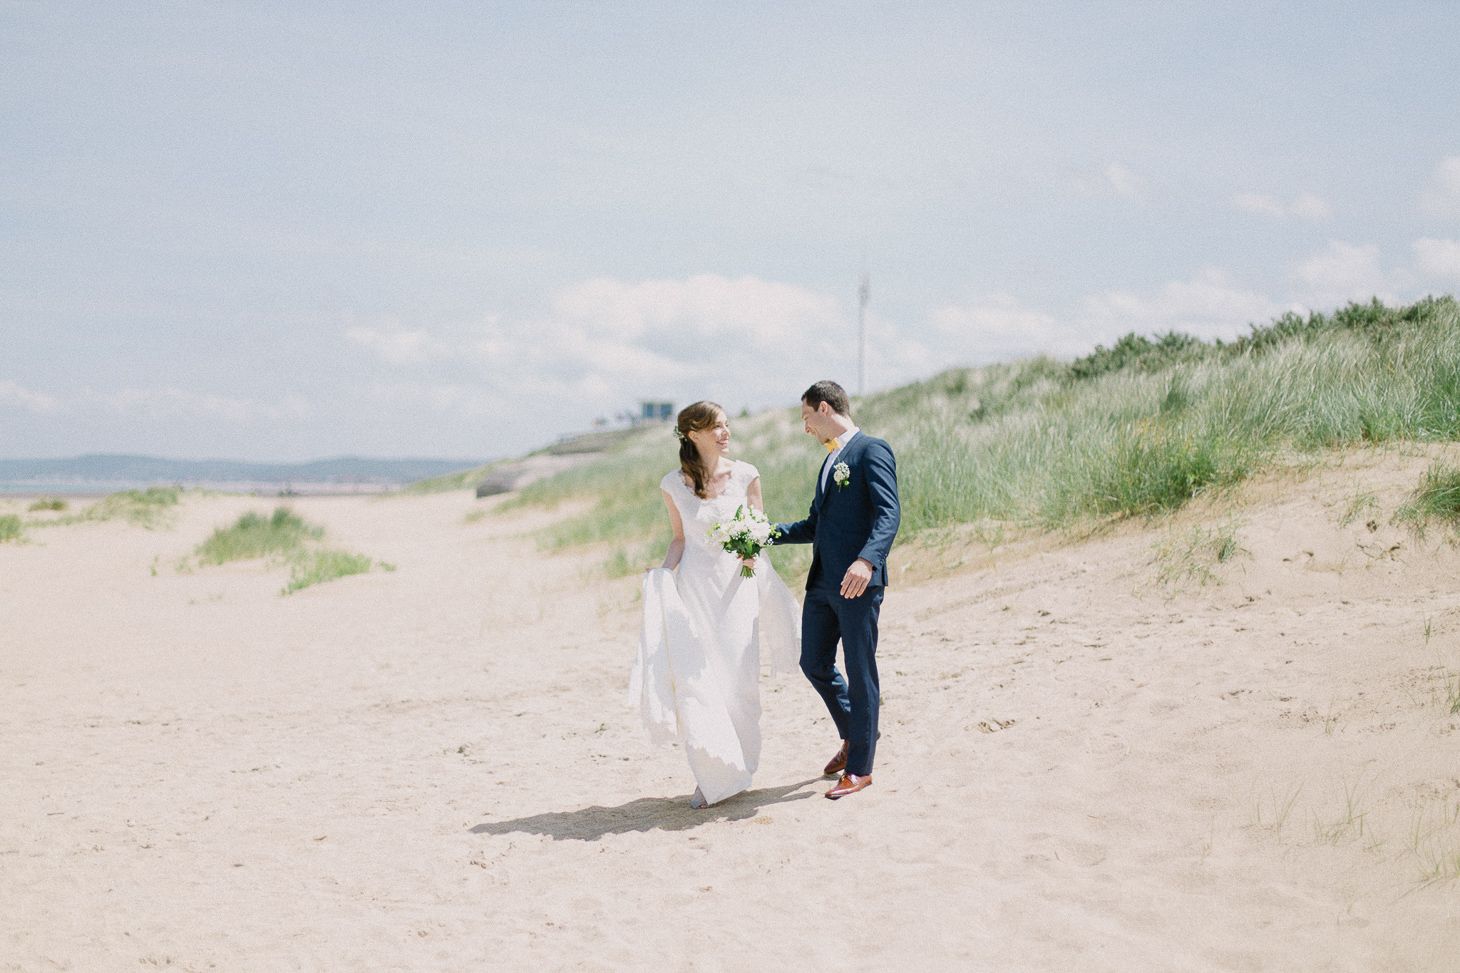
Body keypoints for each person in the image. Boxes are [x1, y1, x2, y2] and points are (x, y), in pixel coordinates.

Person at [627, 401, 800, 809]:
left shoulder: (746, 474)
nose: (725, 433)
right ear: (693, 433)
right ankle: (712, 776)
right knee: (700, 682)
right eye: (716, 427)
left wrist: (752, 551)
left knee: (740, 683)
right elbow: (680, 539)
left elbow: (759, 529)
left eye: (726, 425)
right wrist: (663, 575)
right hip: (694, 590)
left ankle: (743, 765)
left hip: (737, 588)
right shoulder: (673, 483)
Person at [772, 381, 900, 799]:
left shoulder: (871, 450)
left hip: (858, 582)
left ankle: (860, 767)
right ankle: (855, 735)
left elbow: (888, 513)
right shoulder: (829, 462)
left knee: (861, 671)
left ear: (824, 409)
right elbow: (815, 526)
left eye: (807, 418)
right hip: (823, 583)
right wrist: (762, 535)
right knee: (813, 662)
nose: (806, 428)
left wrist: (868, 560)